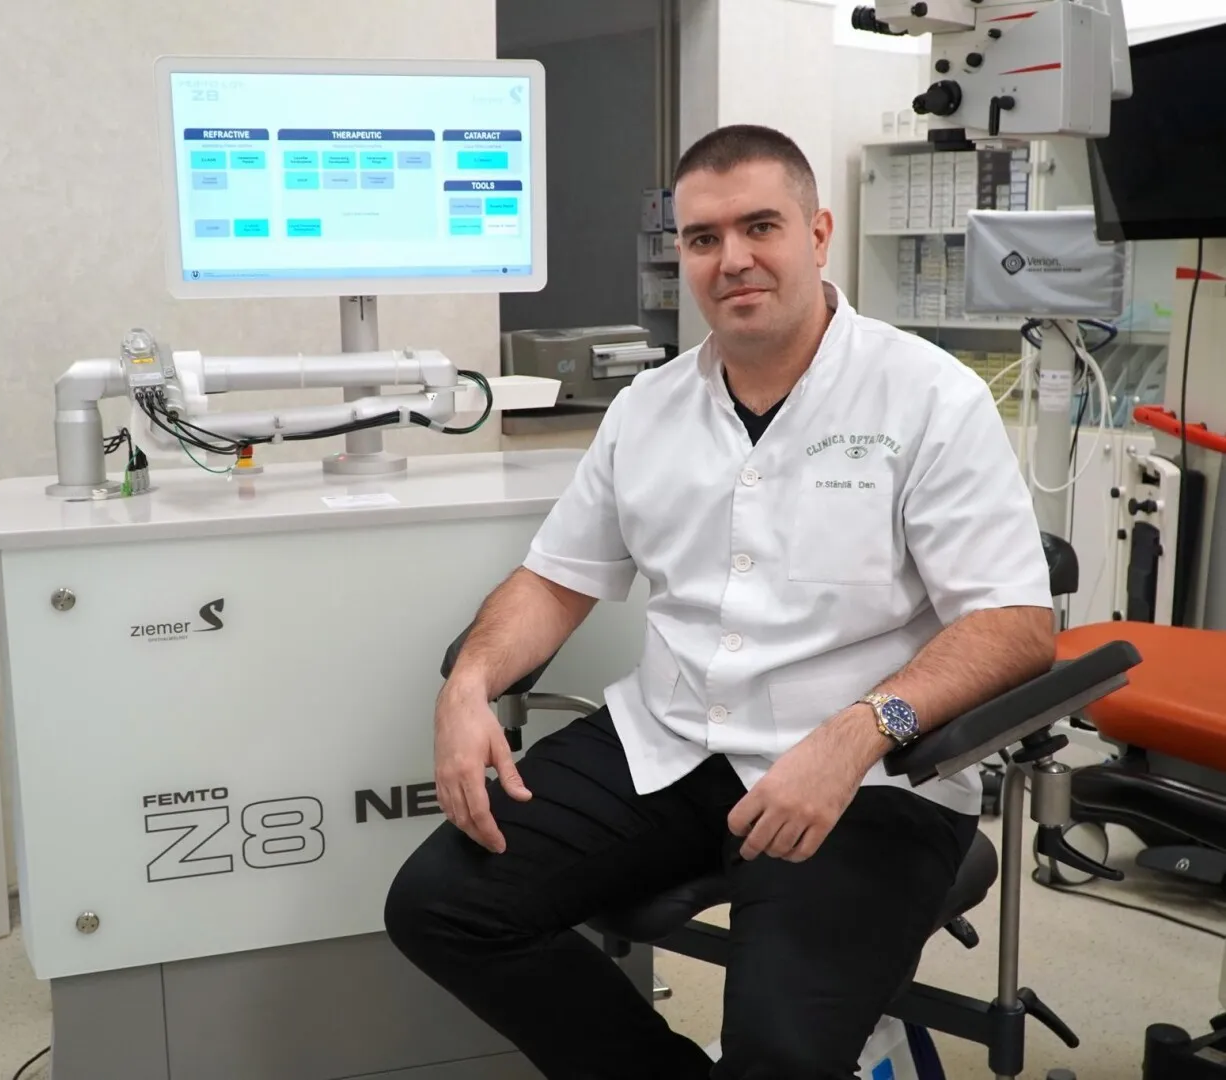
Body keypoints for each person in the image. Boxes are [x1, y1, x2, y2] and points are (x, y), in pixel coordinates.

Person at [384, 124, 1055, 1080]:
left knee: (777, 1056)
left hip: (865, 779)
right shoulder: (647, 408)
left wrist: (862, 731)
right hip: (667, 744)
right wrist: (469, 684)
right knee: (441, 908)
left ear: (817, 234)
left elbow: (1016, 625)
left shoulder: (928, 398)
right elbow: (554, 579)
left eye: (760, 226)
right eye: (703, 238)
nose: (731, 258)